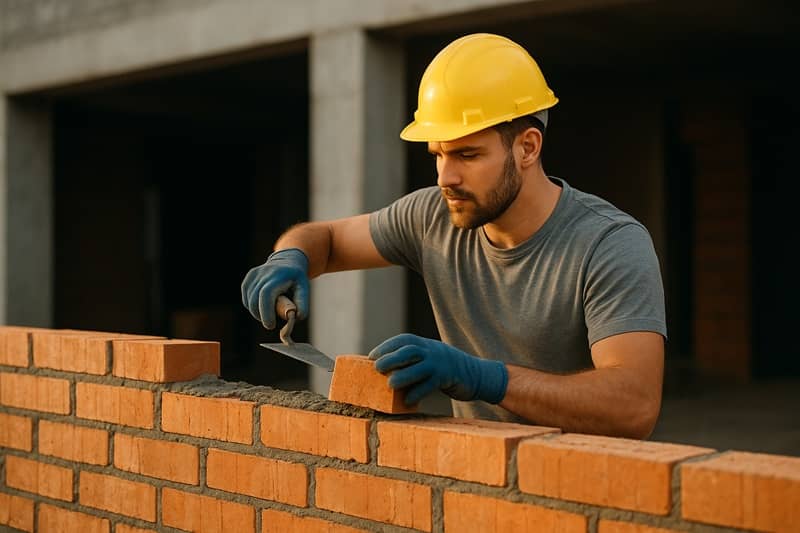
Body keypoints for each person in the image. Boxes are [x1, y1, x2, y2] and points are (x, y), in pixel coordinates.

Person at [242, 33, 666, 439]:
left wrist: (483, 378)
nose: (446, 177)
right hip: (475, 481)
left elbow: (633, 406)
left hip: (582, 493)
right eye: (438, 154)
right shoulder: (433, 216)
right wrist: (290, 256)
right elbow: (327, 239)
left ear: (527, 148)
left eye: (467, 153)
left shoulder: (609, 243)